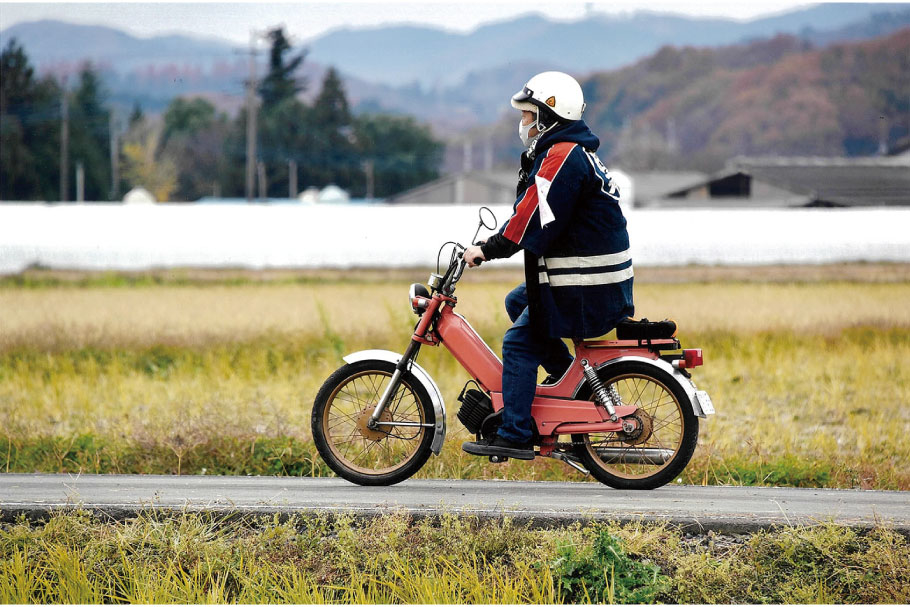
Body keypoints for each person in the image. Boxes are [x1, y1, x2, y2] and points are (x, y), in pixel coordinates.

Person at [461, 71, 634, 461]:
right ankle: (565, 381)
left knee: (518, 343)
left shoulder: (562, 157)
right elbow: (529, 212)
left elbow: (531, 220)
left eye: (527, 115)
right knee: (516, 302)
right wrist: (498, 240)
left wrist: (486, 250)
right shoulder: (569, 152)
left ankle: (516, 432)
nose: (522, 124)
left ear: (548, 115)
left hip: (587, 285)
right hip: (596, 279)